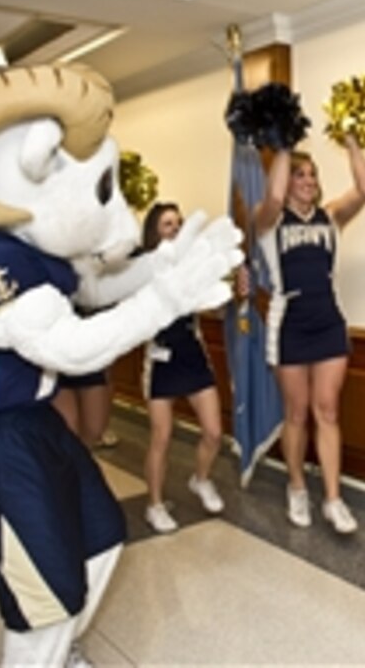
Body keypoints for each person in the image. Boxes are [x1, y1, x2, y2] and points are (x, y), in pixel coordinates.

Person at [254, 138, 365, 534]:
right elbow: (272, 196)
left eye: (312, 175)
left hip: (328, 322)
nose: (307, 181)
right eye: (298, 175)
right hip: (288, 323)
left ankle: (333, 499)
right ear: (286, 181)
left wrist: (353, 140)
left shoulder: (330, 217)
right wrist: (285, 143)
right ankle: (297, 487)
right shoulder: (269, 221)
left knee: (328, 410)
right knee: (296, 412)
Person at [140, 202, 227, 533]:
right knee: (162, 436)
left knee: (214, 432)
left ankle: (200, 479)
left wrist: (230, 293)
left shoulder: (194, 267)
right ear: (154, 231)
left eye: (178, 224)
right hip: (161, 359)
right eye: (167, 224)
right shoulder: (144, 269)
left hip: (192, 352)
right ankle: (154, 505)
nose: (175, 230)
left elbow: (215, 312)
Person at [53, 368, 119, 448]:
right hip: (54, 369)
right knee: (68, 430)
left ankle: (80, 455)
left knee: (94, 430)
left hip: (90, 366)